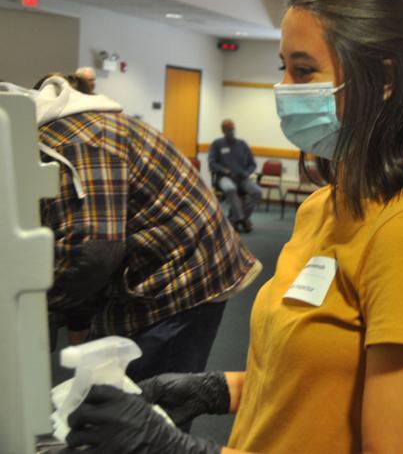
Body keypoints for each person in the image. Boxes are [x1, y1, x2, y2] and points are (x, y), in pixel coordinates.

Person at [61, 0, 403, 454]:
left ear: (383, 79)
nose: (284, 87)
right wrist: (219, 389)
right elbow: (312, 381)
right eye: (283, 66)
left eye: (303, 70)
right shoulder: (324, 206)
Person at [2, 75, 261, 385]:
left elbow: (92, 253)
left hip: (182, 276)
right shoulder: (52, 132)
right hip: (155, 257)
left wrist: (42, 306)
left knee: (146, 404)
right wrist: (73, 314)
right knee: (112, 392)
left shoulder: (72, 143)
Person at [208, 119, 262, 233]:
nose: (231, 131)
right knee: (230, 188)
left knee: (257, 192)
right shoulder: (217, 144)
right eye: (228, 129)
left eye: (232, 129)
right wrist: (224, 170)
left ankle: (235, 219)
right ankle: (242, 219)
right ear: (223, 131)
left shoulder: (242, 144)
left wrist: (247, 173)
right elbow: (212, 163)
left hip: (242, 178)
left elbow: (252, 164)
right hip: (224, 177)